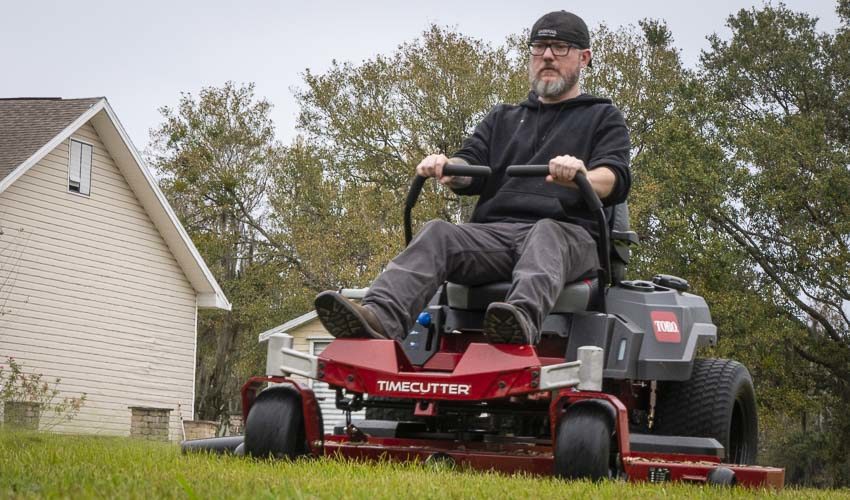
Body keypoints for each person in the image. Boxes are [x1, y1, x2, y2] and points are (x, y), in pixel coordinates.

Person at [315, 10, 631, 345]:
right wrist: (447, 168)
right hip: (495, 236)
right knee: (438, 232)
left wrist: (581, 175)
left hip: (570, 238)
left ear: (584, 58)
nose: (548, 55)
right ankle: (379, 318)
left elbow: (615, 179)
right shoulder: (503, 118)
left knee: (546, 233)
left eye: (560, 47)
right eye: (539, 47)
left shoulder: (603, 117)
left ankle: (515, 322)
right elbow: (470, 165)